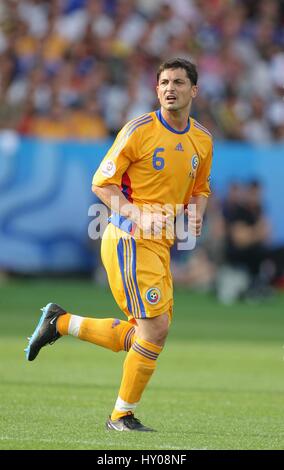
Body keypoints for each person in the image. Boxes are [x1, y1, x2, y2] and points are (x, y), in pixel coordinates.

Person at [25, 58, 213, 432]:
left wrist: (197, 212)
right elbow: (102, 182)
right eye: (163, 82)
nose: (169, 88)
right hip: (128, 237)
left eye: (177, 81)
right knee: (155, 328)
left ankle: (59, 322)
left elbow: (201, 188)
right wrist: (136, 214)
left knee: (146, 333)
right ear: (156, 89)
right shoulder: (139, 130)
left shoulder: (202, 140)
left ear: (194, 90)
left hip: (160, 245)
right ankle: (121, 416)